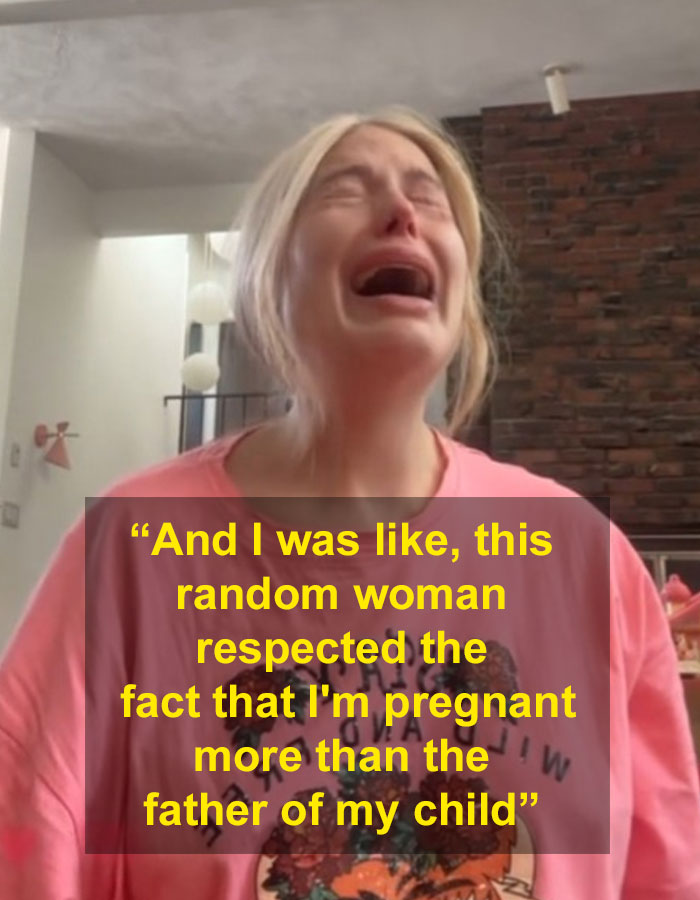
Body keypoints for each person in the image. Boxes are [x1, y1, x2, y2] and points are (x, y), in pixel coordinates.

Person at [1, 107, 699, 900]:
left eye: (430, 198)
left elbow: (666, 874)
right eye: (346, 189)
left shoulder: (585, 554)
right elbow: (25, 839)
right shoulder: (128, 551)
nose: (402, 212)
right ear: (269, 272)